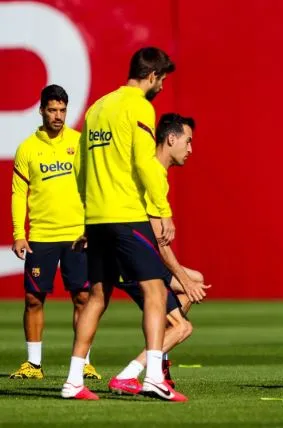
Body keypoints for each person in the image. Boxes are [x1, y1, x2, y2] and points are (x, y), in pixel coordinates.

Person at [62, 47, 205, 401]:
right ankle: (153, 376)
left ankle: (73, 381)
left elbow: (80, 168)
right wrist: (162, 208)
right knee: (156, 292)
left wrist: (86, 213)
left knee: (97, 297)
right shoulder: (139, 106)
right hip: (126, 213)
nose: (162, 87)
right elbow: (145, 164)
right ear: (153, 76)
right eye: (163, 80)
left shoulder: (97, 108)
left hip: (96, 217)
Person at [108, 113, 209, 395]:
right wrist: (183, 279)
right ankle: (134, 372)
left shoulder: (156, 173)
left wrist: (187, 281)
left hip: (131, 254)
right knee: (183, 326)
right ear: (171, 138)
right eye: (188, 142)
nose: (191, 150)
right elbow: (160, 244)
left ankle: (159, 359)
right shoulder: (151, 173)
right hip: (131, 260)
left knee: (194, 282)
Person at [9, 85, 100, 380]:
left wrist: (92, 226)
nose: (58, 115)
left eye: (62, 110)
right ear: (42, 110)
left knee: (83, 298)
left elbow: (92, 186)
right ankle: (33, 364)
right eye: (52, 110)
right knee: (34, 299)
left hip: (77, 235)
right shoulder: (27, 148)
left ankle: (83, 362)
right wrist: (18, 233)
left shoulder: (78, 142)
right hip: (41, 236)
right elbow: (18, 193)